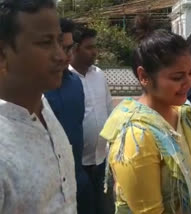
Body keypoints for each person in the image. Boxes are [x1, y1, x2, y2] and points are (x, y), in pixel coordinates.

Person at [100, 17, 191, 214]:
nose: (187, 83)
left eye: (190, 73)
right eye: (177, 77)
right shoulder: (136, 138)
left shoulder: (184, 113)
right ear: (144, 76)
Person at [0, 0, 76, 213]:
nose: (61, 55)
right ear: (3, 53)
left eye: (59, 42)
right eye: (45, 43)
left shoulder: (44, 108)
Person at [45, 18, 94, 214]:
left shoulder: (75, 83)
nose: (64, 55)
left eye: (68, 48)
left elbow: (77, 124)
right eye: (59, 48)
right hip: (51, 188)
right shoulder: (38, 88)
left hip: (79, 178)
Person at [70, 25, 114, 214]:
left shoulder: (99, 75)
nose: (94, 52)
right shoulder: (66, 79)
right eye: (89, 47)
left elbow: (108, 109)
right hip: (78, 164)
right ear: (75, 48)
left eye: (95, 47)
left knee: (104, 207)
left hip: (102, 159)